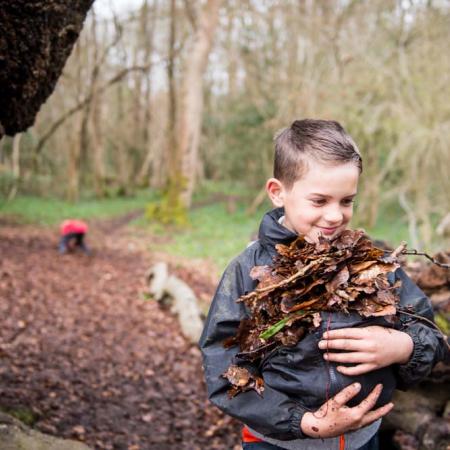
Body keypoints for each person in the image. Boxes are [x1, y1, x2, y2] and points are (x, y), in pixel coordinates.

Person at [199, 119, 447, 450]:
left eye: (346, 201)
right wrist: (306, 423)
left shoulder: (372, 263)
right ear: (277, 192)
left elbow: (430, 334)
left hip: (362, 439)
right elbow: (222, 366)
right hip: (278, 443)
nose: (335, 216)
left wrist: (404, 346)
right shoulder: (247, 271)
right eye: (320, 201)